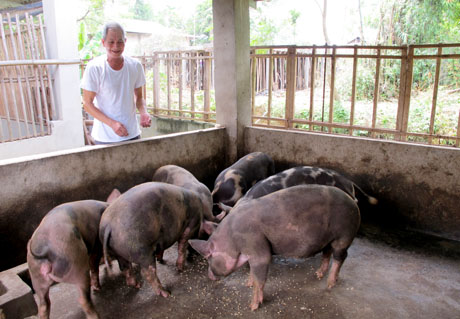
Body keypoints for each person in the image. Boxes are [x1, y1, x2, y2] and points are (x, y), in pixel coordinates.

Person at [81, 21, 151, 144]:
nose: (116, 47)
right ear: (103, 43)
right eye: (111, 42)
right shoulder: (95, 68)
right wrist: (112, 124)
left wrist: (144, 112)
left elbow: (139, 97)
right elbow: (87, 104)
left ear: (125, 42)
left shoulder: (135, 66)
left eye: (120, 42)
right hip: (104, 138)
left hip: (132, 134)